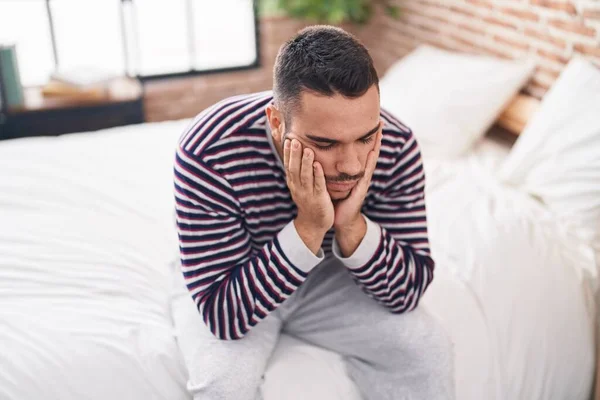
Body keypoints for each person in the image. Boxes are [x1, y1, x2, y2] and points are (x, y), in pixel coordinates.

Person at [172, 25, 454, 400]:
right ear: (276, 122)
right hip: (237, 274)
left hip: (331, 280)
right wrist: (309, 226)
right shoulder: (208, 150)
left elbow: (407, 291)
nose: (351, 165)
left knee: (427, 350)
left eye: (366, 137)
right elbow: (224, 315)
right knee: (223, 385)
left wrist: (351, 225)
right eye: (324, 143)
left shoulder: (397, 146)